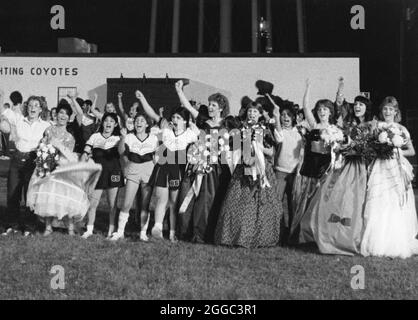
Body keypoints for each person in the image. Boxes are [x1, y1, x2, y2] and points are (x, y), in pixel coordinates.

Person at [309, 95, 374, 255]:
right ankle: (337, 235)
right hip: (348, 165)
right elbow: (343, 143)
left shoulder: (372, 125)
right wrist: (341, 146)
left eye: (361, 104)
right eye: (356, 104)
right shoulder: (348, 124)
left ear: (367, 107)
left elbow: (370, 148)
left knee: (361, 200)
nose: (357, 107)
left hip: (363, 165)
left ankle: (360, 236)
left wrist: (352, 149)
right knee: (342, 199)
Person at [26, 102, 102, 236]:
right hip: (47, 167)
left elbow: (68, 155)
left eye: (66, 114)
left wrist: (58, 150)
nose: (63, 116)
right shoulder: (48, 130)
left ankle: (70, 228)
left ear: (68, 117)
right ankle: (48, 227)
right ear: (56, 114)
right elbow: (42, 145)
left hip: (62, 168)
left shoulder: (70, 136)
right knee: (48, 197)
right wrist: (44, 151)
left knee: (66, 198)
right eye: (61, 113)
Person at [214, 101, 281, 248]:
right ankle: (235, 236)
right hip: (242, 169)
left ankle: (261, 237)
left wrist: (259, 148)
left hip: (261, 170)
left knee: (261, 202)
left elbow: (272, 152)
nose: (252, 114)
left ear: (260, 114)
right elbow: (234, 149)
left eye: (255, 112)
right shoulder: (240, 130)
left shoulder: (265, 130)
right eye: (250, 111)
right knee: (237, 203)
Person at [175, 80, 233, 244]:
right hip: (203, 166)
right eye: (209, 104)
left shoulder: (228, 124)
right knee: (203, 200)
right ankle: (199, 234)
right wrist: (180, 91)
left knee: (218, 200)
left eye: (213, 105)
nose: (210, 107)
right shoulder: (203, 121)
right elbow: (188, 108)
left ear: (221, 107)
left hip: (221, 168)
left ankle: (217, 234)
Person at [360, 96, 418, 259]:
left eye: (391, 109)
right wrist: (378, 149)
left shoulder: (401, 128)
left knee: (394, 201)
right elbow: (368, 146)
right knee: (378, 200)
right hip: (380, 166)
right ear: (382, 110)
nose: (387, 112)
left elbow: (411, 151)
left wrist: (396, 151)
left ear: (396, 111)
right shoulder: (376, 127)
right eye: (385, 109)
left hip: (395, 167)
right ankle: (376, 241)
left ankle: (395, 241)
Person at [139, 89, 199, 242]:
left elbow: (198, 132)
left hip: (177, 170)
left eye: (178, 117)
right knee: (161, 200)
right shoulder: (166, 130)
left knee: (173, 203)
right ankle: (157, 227)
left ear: (185, 120)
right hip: (163, 168)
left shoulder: (189, 134)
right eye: (173, 117)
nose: (175, 119)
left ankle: (172, 233)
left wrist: (190, 122)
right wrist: (142, 98)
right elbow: (152, 114)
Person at [289, 79, 336, 245]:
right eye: (320, 109)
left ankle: (318, 236)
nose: (322, 111)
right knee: (304, 201)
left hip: (324, 169)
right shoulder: (314, 125)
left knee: (321, 204)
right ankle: (300, 234)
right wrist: (308, 88)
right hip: (309, 168)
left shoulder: (335, 129)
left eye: (325, 109)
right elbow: (306, 107)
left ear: (330, 112)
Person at [0, 95, 50, 236]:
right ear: (26, 107)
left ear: (41, 109)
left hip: (33, 161)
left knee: (30, 196)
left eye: (36, 105)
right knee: (12, 193)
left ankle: (29, 226)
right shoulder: (18, 119)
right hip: (16, 159)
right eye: (30, 105)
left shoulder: (46, 125)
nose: (33, 108)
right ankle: (12, 224)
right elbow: (3, 112)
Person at [110, 113, 158, 241]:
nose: (139, 122)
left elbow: (158, 154)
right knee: (126, 203)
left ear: (147, 124)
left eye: (142, 120)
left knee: (145, 204)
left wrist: (156, 161)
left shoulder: (153, 138)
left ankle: (143, 232)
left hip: (148, 170)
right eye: (137, 120)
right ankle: (120, 232)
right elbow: (121, 152)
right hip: (133, 169)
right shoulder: (129, 137)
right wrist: (122, 138)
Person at [81, 112, 124, 239]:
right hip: (97, 174)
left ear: (115, 124)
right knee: (92, 203)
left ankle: (111, 231)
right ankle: (89, 229)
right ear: (102, 123)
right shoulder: (95, 136)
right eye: (106, 121)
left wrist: (123, 138)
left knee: (112, 205)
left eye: (111, 121)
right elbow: (86, 152)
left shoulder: (118, 138)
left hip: (114, 173)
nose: (108, 123)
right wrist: (83, 161)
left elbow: (122, 152)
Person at [270, 95, 303, 245]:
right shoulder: (279, 132)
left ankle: (292, 236)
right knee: (276, 204)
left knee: (293, 205)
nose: (285, 118)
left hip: (295, 173)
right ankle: (277, 234)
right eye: (283, 115)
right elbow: (279, 138)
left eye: (288, 115)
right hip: (280, 172)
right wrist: (276, 117)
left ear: (294, 117)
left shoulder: (300, 133)